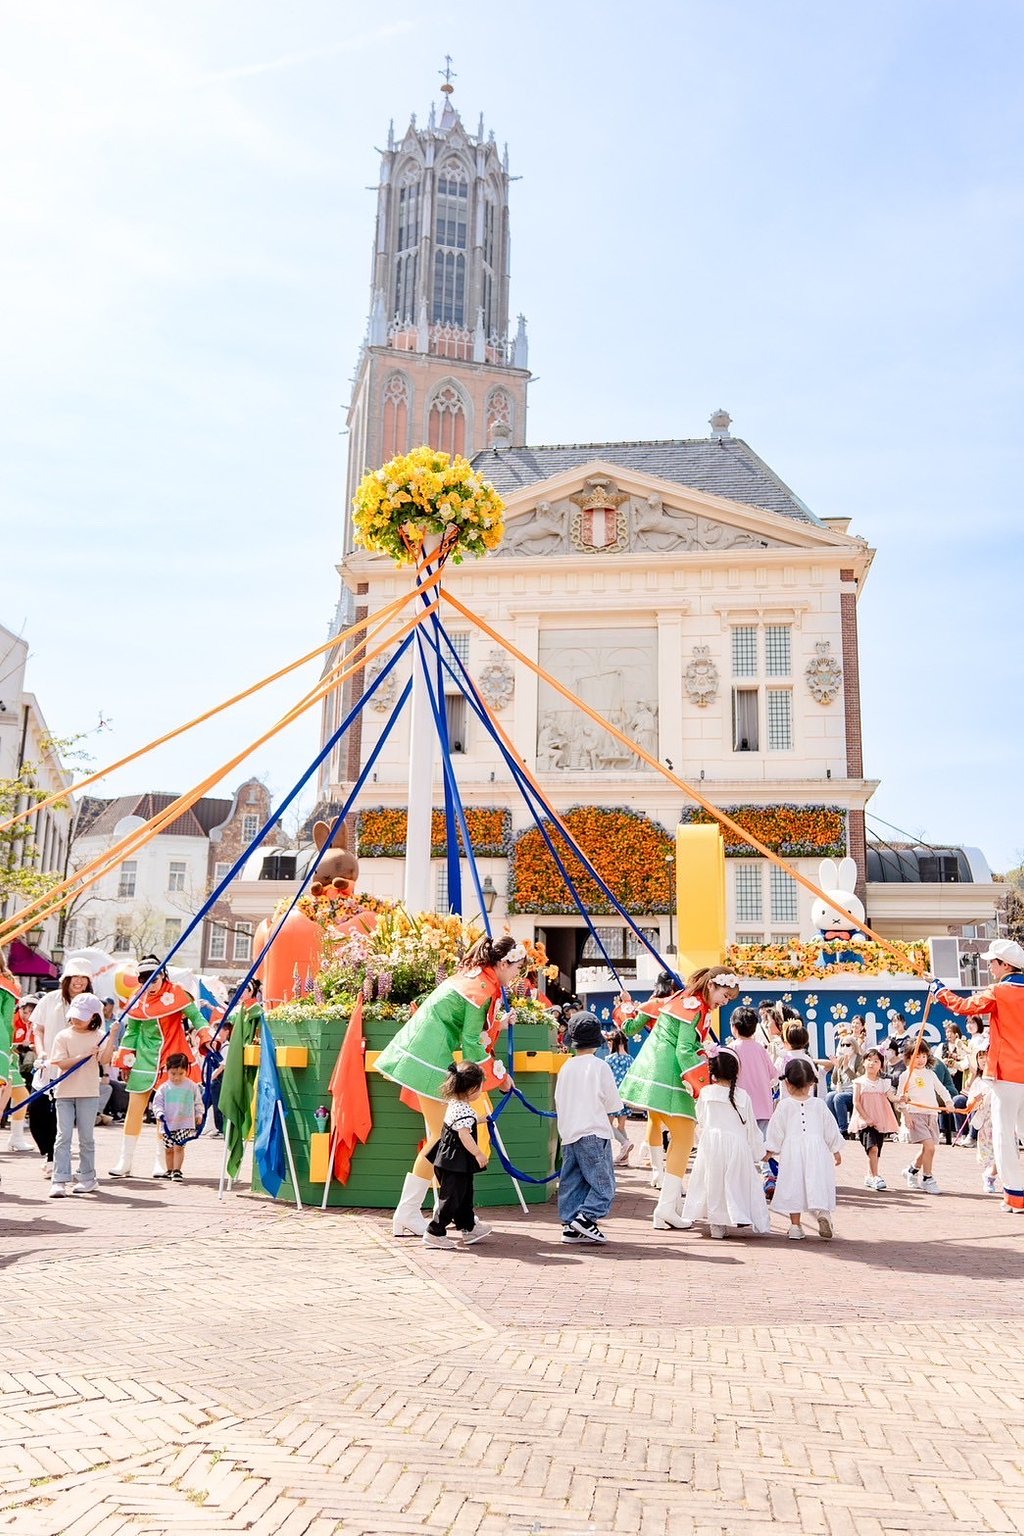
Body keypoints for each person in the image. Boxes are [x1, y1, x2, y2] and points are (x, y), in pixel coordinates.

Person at [375, 935, 525, 1237]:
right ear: (502, 963)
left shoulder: (479, 980)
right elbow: (471, 1042)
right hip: (428, 1058)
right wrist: (500, 1077)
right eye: (517, 968)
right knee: (441, 1142)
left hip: (426, 1054)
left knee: (442, 1140)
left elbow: (468, 1027)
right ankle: (412, 1212)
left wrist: (498, 1025)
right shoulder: (482, 989)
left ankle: (448, 1214)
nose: (517, 975)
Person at [619, 968, 741, 1230]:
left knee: (677, 1136)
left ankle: (667, 1205)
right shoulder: (695, 1007)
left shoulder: (686, 1001)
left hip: (658, 1076)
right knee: (684, 1138)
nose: (725, 1001)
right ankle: (665, 1208)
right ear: (711, 986)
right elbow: (685, 1051)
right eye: (725, 994)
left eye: (729, 998)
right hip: (670, 1079)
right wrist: (706, 1086)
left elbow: (632, 1027)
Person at [935, 942, 1024, 1211]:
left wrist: (939, 991)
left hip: (1007, 1073)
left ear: (1005, 965)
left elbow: (964, 1007)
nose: (989, 966)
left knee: (1004, 1135)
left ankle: (1015, 1196)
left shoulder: (999, 990)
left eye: (992, 962)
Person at [108, 956, 208, 1179]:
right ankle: (125, 1160)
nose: (149, 984)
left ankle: (162, 1161)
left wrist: (205, 1035)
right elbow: (132, 1031)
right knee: (134, 1109)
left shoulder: (177, 993)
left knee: (167, 1114)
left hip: (171, 1059)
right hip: (144, 1060)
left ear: (163, 976)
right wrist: (126, 1059)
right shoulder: (137, 999)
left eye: (153, 978)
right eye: (143, 979)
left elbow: (196, 1016)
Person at [680, 1048, 769, 1238]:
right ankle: (739, 1214)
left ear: (711, 1071)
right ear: (736, 1071)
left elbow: (700, 1120)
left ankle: (717, 1225)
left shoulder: (706, 1093)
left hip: (712, 1144)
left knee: (713, 1183)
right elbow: (752, 1127)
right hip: (737, 1145)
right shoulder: (743, 1096)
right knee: (735, 1184)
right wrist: (758, 1151)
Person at [555, 1012, 623, 1245]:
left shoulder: (566, 1067)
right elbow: (613, 1103)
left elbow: (559, 1099)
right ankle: (586, 1218)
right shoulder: (600, 1066)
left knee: (572, 1181)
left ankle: (570, 1225)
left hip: (569, 1132)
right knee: (604, 1184)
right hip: (594, 1131)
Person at [764, 1058, 842, 1240]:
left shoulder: (783, 1105)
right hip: (818, 1151)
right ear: (810, 1083)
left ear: (787, 1083)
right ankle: (823, 1213)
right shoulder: (819, 1104)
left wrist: (770, 1150)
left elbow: (776, 1130)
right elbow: (830, 1128)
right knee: (818, 1181)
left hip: (792, 1152)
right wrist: (836, 1149)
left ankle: (795, 1226)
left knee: (794, 1185)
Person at [48, 992, 114, 1197]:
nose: (76, 1019)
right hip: (64, 1093)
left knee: (87, 1138)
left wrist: (112, 1036)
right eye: (75, 1014)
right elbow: (60, 1063)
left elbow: (105, 1059)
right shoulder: (63, 1036)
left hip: (88, 1093)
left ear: (94, 1016)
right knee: (63, 1136)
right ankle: (59, 1180)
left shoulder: (99, 1036)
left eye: (82, 1015)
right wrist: (84, 1055)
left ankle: (87, 1178)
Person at [421, 1060, 491, 1249]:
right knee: (451, 1198)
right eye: (480, 1088)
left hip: (450, 1159)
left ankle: (469, 1227)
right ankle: (435, 1232)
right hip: (455, 1163)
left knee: (463, 1195)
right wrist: (478, 1153)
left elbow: (466, 1120)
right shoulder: (464, 1109)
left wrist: (482, 1119)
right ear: (471, 1090)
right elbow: (464, 1133)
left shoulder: (456, 1104)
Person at [896, 1038, 954, 1193]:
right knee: (930, 1147)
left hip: (932, 1115)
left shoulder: (930, 1074)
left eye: (924, 1056)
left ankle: (912, 1171)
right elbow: (900, 1099)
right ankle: (927, 1178)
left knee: (927, 1148)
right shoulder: (905, 1076)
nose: (921, 1060)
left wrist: (949, 1102)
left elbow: (942, 1090)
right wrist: (906, 1115)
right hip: (916, 1115)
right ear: (908, 1057)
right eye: (917, 1056)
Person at [849, 1048, 899, 1189]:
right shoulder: (859, 1082)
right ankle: (876, 1177)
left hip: (880, 1121)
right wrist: (866, 1118)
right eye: (869, 1060)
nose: (872, 1063)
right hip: (865, 1122)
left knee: (876, 1150)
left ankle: (870, 1176)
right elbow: (856, 1102)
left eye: (876, 1061)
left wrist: (901, 1098)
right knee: (873, 1148)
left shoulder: (884, 1083)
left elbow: (892, 1097)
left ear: (881, 1065)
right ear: (863, 1063)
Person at [151, 1052, 205, 1182]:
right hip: (168, 1123)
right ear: (167, 1071)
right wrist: (159, 1114)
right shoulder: (164, 1088)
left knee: (179, 1146)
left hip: (185, 1123)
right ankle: (169, 1170)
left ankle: (177, 1170)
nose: (177, 1077)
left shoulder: (191, 1086)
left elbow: (198, 1102)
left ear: (186, 1071)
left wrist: (199, 1113)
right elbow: (157, 1103)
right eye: (173, 1074)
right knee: (168, 1149)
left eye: (181, 1073)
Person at [726, 1006, 778, 1136]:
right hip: (764, 1107)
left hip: (740, 1107)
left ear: (734, 1027)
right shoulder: (760, 1048)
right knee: (761, 1148)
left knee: (743, 1147)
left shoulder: (731, 1049)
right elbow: (774, 1073)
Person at [963, 1047, 997, 1195]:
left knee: (1007, 1151)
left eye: (986, 1056)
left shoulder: (1000, 1078)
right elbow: (969, 1105)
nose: (983, 1060)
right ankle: (989, 1177)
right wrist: (976, 1101)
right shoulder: (978, 1081)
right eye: (980, 1057)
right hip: (986, 1122)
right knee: (990, 1153)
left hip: (1003, 1118)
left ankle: (991, 1175)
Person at [605, 1030, 634, 1164]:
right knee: (621, 1126)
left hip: (612, 1096)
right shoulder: (631, 1060)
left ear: (613, 1042)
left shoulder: (610, 1059)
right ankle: (625, 1157)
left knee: (607, 1124)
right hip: (626, 1096)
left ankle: (624, 1142)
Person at [826, 1035, 862, 1137]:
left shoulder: (860, 1059)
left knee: (838, 1098)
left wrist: (846, 1068)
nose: (845, 1047)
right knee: (829, 1097)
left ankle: (844, 1129)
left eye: (847, 1045)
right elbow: (834, 1080)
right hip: (842, 1089)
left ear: (854, 1046)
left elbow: (858, 1079)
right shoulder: (841, 1059)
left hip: (855, 1092)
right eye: (842, 1045)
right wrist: (836, 1068)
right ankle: (836, 1127)